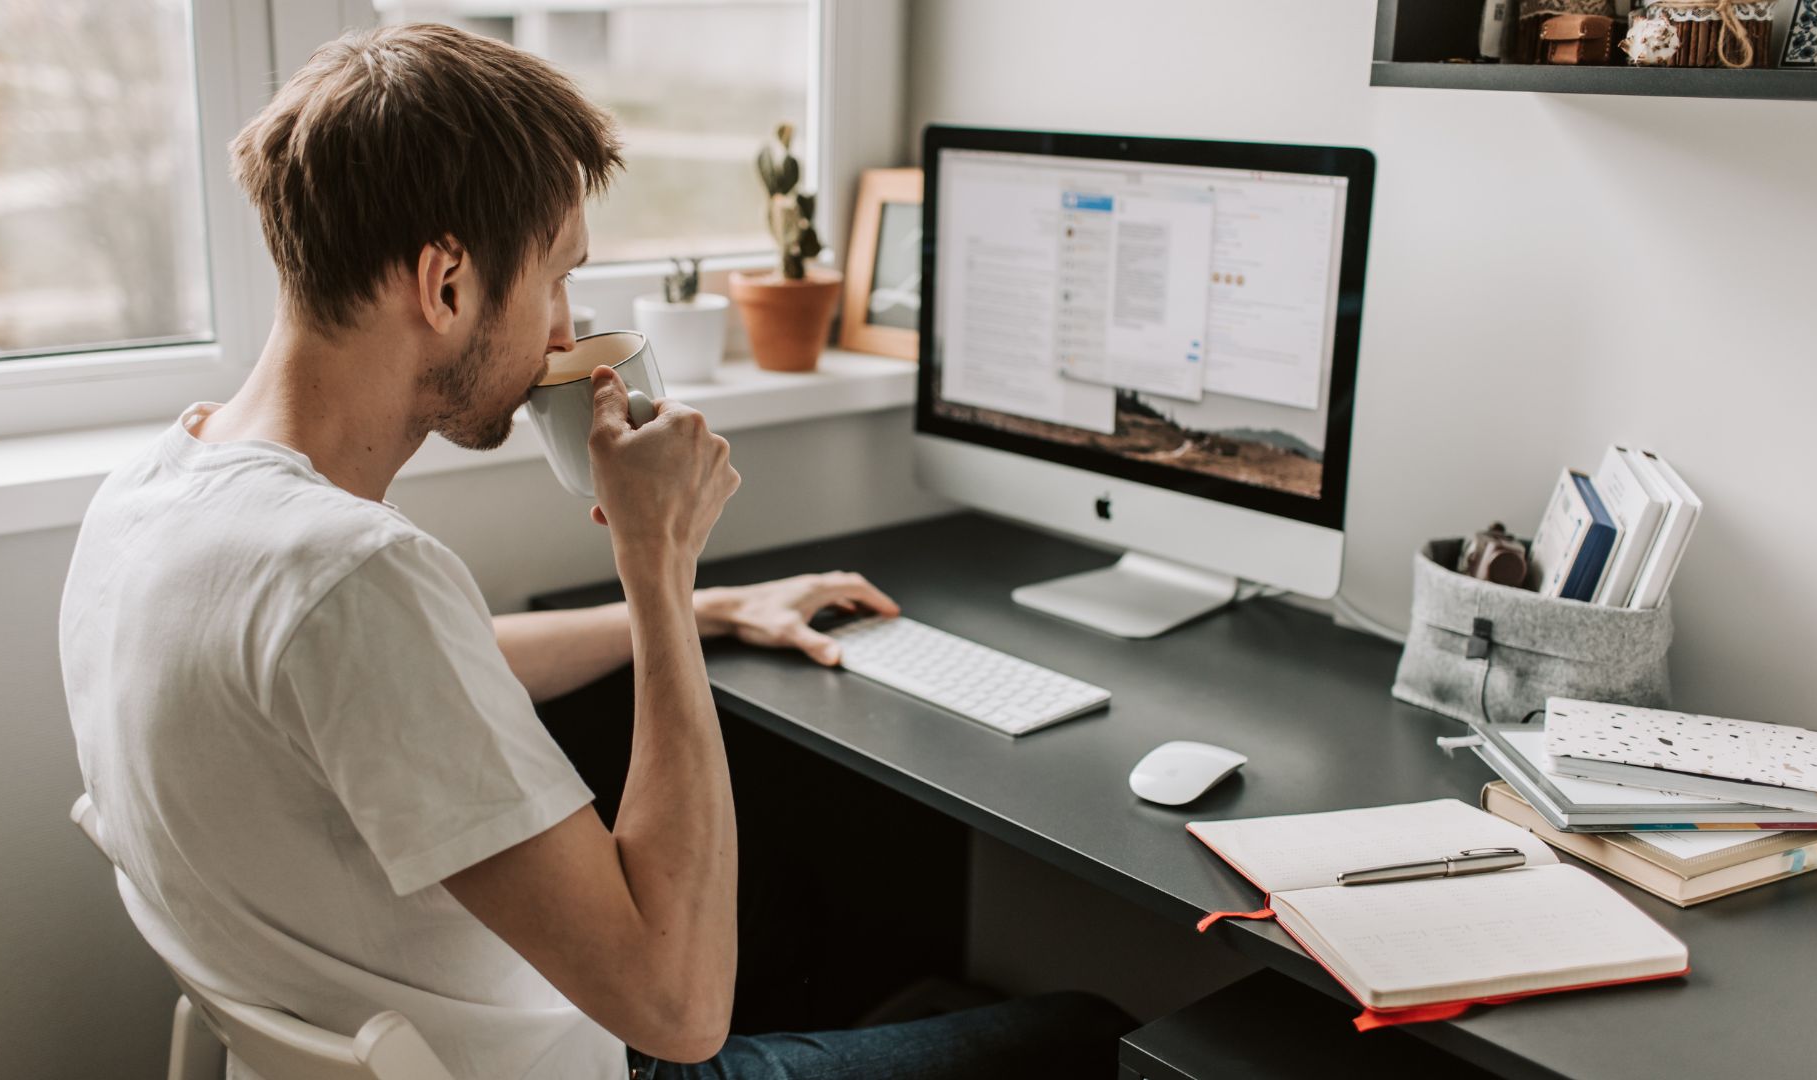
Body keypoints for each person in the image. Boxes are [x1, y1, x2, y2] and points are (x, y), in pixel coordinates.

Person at [60, 22, 1130, 1080]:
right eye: (557, 279)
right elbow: (679, 1009)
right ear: (445, 285)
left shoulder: (153, 494)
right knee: (1093, 1029)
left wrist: (709, 610)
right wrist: (661, 574)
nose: (566, 335)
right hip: (605, 1059)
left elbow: (399, 679)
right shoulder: (355, 575)